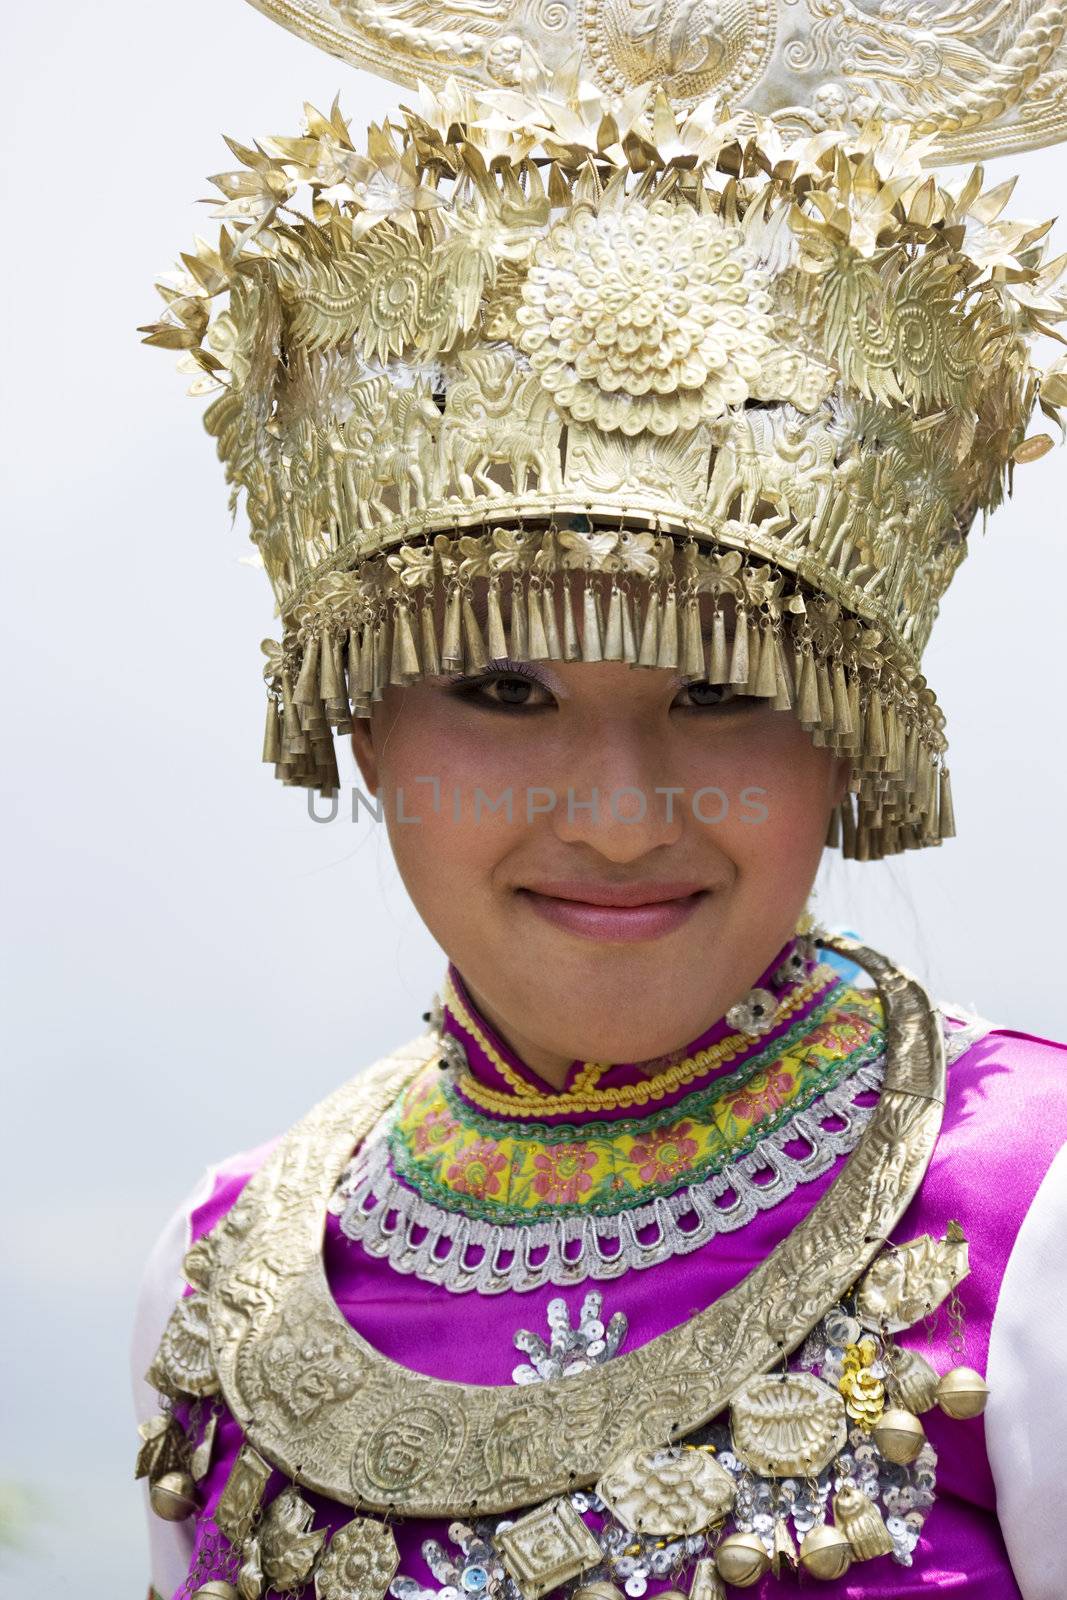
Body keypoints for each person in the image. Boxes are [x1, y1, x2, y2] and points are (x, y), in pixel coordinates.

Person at [131, 10, 1067, 1598]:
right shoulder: (223, 1274)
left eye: (722, 691)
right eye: (504, 695)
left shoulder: (1034, 1214)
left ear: (851, 735)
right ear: (359, 723)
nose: (626, 818)